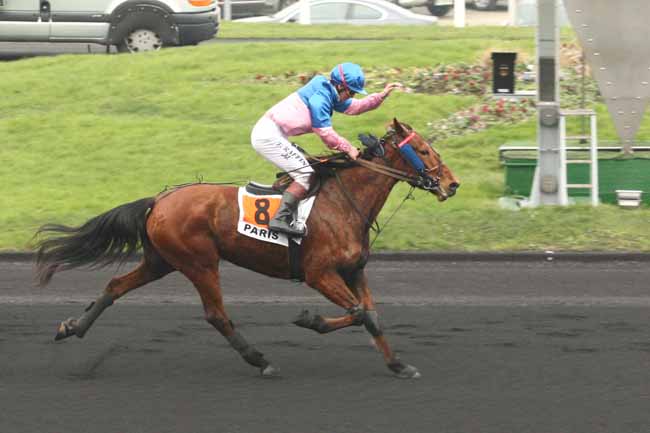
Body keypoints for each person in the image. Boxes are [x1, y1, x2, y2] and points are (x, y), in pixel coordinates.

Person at [251, 62, 403, 237]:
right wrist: (348, 148)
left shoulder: (330, 92)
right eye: (351, 92)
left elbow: (355, 107)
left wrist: (381, 96)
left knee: (308, 167)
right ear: (340, 86)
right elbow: (325, 133)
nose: (351, 96)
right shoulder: (320, 99)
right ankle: (280, 218)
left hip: (275, 134)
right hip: (268, 136)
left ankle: (290, 204)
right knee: (305, 174)